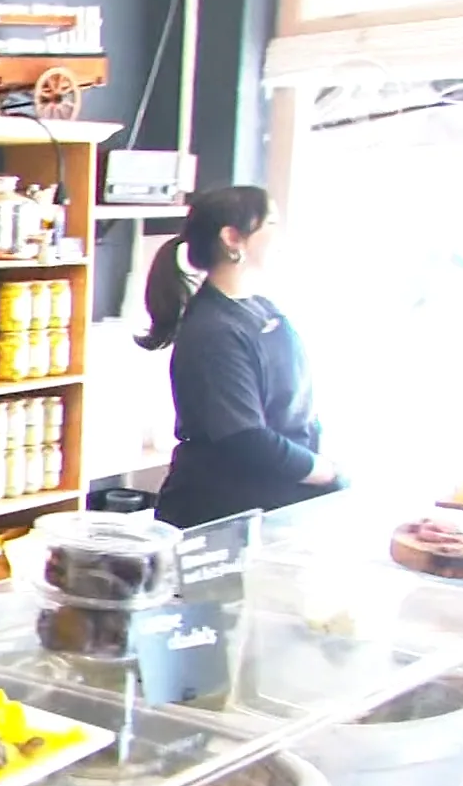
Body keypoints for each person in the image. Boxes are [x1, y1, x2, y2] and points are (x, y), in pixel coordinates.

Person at [140, 185, 341, 530]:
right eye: (271, 224)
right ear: (233, 238)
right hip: (224, 512)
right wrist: (324, 472)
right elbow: (245, 438)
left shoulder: (261, 308)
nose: (281, 236)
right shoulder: (213, 331)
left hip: (274, 501)